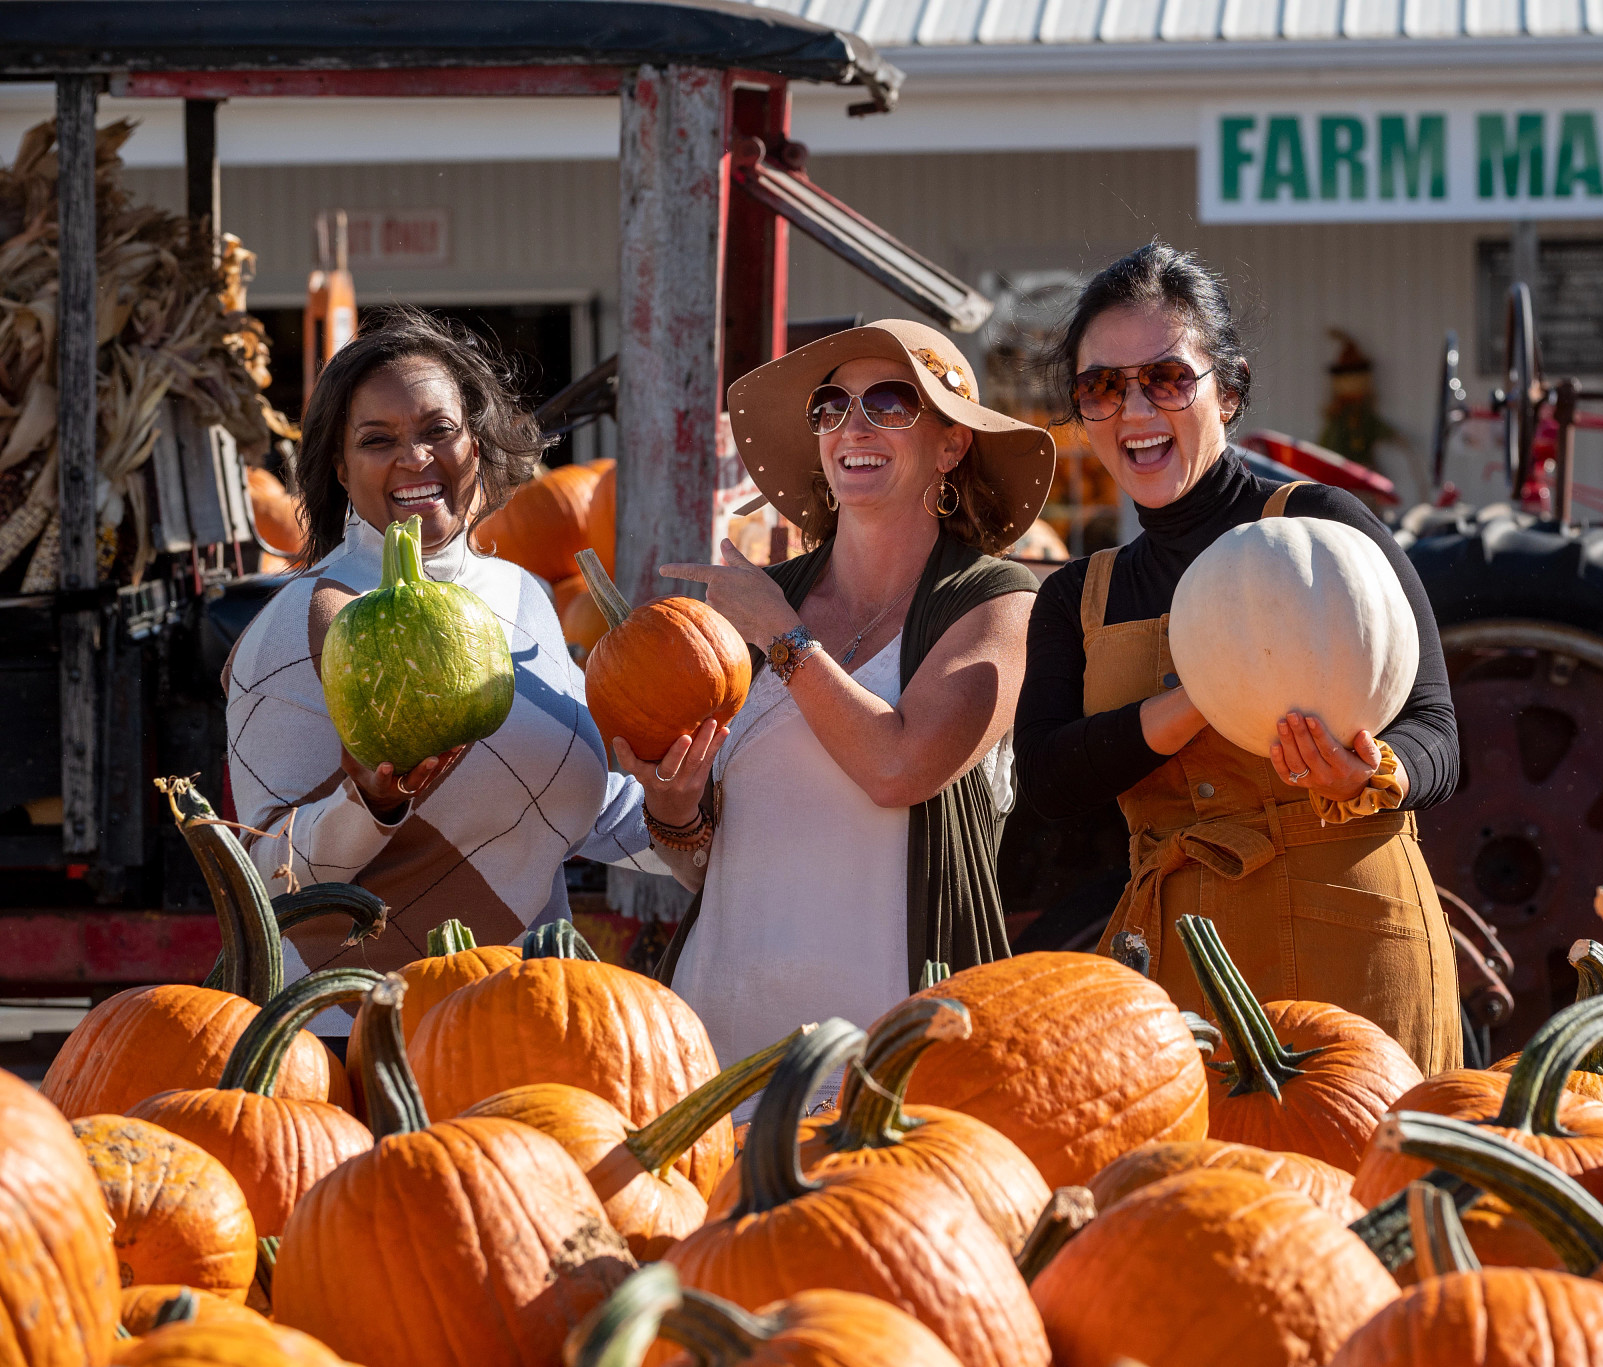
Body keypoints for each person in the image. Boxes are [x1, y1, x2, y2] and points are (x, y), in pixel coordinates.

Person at [1014, 243, 1464, 1074]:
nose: (1136, 408)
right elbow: (1045, 778)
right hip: (1178, 961)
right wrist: (1194, 700)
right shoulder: (1077, 596)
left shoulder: (1324, 526)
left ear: (1228, 387)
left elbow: (1438, 728)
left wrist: (1372, 775)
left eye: (1168, 378)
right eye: (1102, 386)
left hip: (1354, 945)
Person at [225, 309, 713, 1014]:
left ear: (476, 446)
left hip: (528, 1015)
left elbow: (571, 797)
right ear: (339, 466)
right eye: (377, 439)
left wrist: (688, 814)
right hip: (359, 1034)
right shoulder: (304, 623)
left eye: (437, 430)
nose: (414, 457)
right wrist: (372, 806)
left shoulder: (523, 594)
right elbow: (262, 874)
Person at [649, 320, 1055, 1067]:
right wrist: (674, 812)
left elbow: (899, 767)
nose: (851, 425)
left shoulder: (996, 602)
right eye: (831, 407)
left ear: (952, 443)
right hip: (721, 1028)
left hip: (898, 1050)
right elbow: (709, 857)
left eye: (891, 403)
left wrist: (785, 637)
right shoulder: (759, 605)